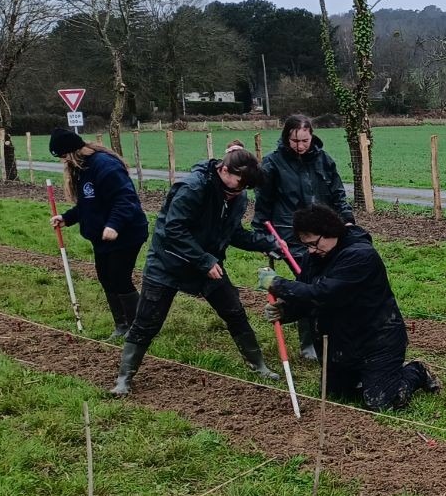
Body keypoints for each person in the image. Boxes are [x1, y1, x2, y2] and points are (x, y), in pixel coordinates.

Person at [110, 146, 280, 396]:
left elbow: (233, 232)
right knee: (147, 322)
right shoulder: (192, 188)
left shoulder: (238, 197)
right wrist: (204, 261)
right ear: (223, 170)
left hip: (207, 264)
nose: (240, 192)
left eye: (246, 188)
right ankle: (124, 378)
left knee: (234, 311)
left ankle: (259, 365)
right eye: (238, 185)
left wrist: (267, 243)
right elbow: (174, 230)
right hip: (168, 263)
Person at [264, 204, 441, 411]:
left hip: (377, 340)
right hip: (343, 343)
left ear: (329, 231)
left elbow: (324, 294)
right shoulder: (313, 257)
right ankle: (367, 377)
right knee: (337, 395)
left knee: (382, 402)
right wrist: (286, 310)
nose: (311, 250)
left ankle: (416, 372)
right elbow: (309, 297)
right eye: (306, 245)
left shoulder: (360, 256)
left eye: (314, 244)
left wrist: (278, 284)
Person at [252, 114, 354, 363]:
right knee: (307, 283)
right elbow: (263, 204)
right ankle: (308, 343)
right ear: (287, 137)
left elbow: (337, 191)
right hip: (290, 236)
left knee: (329, 283)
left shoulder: (323, 160)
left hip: (324, 231)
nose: (300, 145)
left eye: (305, 140)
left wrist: (347, 217)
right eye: (295, 140)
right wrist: (264, 237)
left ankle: (333, 333)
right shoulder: (273, 164)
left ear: (312, 137)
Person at [48, 129, 148, 341]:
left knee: (120, 277)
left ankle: (140, 327)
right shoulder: (83, 169)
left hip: (127, 232)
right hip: (102, 236)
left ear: (73, 151)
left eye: (64, 156)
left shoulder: (106, 166)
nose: (63, 161)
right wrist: (66, 218)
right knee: (106, 277)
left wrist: (114, 225)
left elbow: (125, 198)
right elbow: (88, 204)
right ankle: (122, 325)